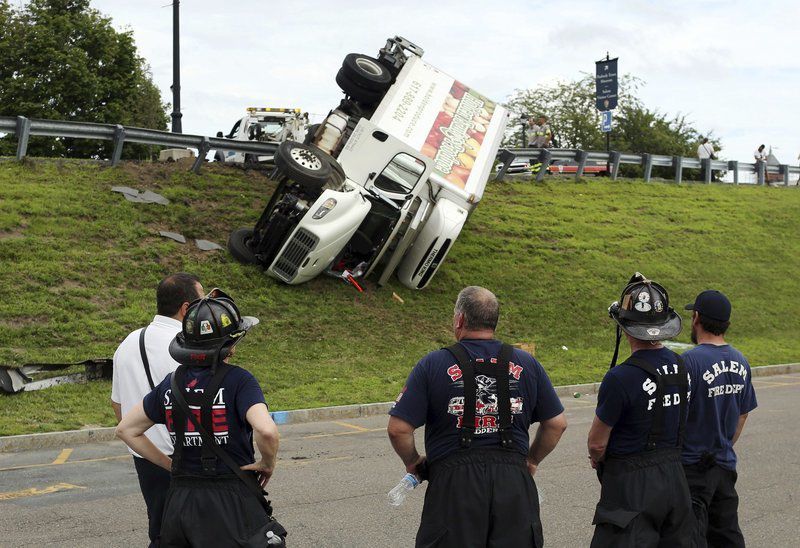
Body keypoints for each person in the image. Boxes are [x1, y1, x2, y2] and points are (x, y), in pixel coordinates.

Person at [388, 286, 567, 547]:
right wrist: (531, 460)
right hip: (514, 483)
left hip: (453, 487)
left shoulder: (432, 364)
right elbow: (557, 424)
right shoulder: (528, 364)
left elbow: (398, 429)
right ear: (493, 321)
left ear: (459, 319)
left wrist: (413, 461)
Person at [116, 289, 281, 547]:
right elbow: (267, 431)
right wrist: (267, 462)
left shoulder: (171, 384)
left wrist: (170, 466)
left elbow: (126, 429)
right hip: (231, 501)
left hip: (181, 503)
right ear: (230, 344)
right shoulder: (240, 380)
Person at [588, 272, 693, 547]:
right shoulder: (682, 367)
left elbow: (597, 444)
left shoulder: (620, 378)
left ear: (625, 327)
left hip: (631, 488)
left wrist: (598, 458)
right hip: (675, 479)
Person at [111, 272, 204, 547]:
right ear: (186, 308)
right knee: (199, 534)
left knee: (162, 529)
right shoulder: (187, 347)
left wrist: (139, 442)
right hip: (187, 458)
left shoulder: (128, 342)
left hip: (144, 457)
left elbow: (117, 404)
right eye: (201, 302)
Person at [681, 290, 757, 548]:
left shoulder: (689, 362)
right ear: (727, 324)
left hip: (691, 467)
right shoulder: (741, 361)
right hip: (724, 464)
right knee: (726, 535)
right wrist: (724, 443)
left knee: (692, 536)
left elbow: (675, 415)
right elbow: (743, 413)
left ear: (696, 318)